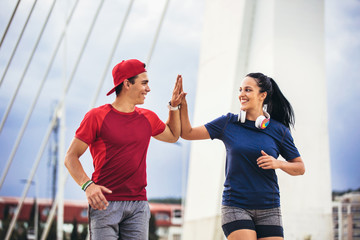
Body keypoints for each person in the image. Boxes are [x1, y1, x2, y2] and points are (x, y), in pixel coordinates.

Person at [64, 59, 185, 240]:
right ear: (127, 84)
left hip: (138, 206)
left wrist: (174, 107)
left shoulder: (147, 118)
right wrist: (87, 186)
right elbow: (70, 157)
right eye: (144, 83)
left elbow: (173, 135)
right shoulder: (96, 117)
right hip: (104, 204)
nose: (148, 88)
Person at [180, 72, 305, 240]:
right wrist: (181, 106)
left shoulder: (279, 130)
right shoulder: (228, 123)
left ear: (262, 95)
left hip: (269, 207)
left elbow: (299, 167)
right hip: (236, 206)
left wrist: (278, 163)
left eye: (247, 90)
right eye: (240, 90)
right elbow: (187, 133)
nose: (241, 95)